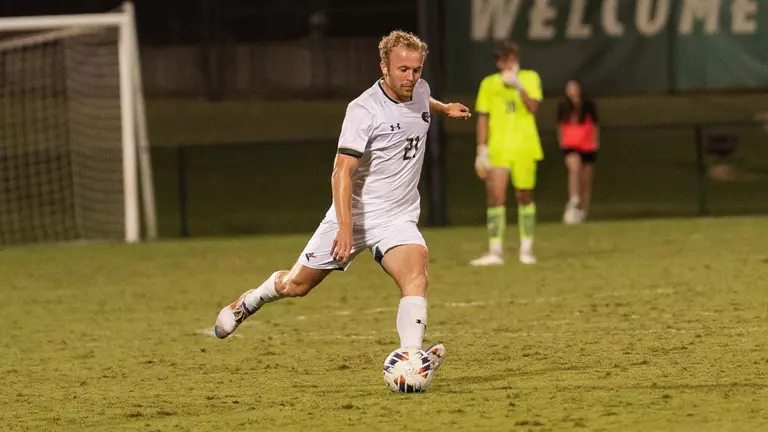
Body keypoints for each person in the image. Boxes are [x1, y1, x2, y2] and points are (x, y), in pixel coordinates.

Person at [212, 30, 471, 374]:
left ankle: (411, 359)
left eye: (416, 70)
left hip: (397, 217)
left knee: (416, 275)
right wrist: (346, 228)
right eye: (403, 70)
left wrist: (444, 108)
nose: (410, 78)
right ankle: (250, 300)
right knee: (296, 285)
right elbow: (341, 172)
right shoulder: (364, 109)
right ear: (384, 67)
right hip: (353, 214)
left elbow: (423, 102)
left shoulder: (419, 90)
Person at [470, 41, 543, 266]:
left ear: (515, 58)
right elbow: (483, 117)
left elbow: (533, 107)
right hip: (498, 149)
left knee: (524, 196)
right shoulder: (489, 84)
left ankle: (527, 249)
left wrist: (519, 86)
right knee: (495, 198)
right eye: (502, 60)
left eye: (509, 58)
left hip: (525, 147)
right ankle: (495, 251)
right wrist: (481, 149)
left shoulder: (530, 78)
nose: (505, 64)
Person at [557, 79, 599, 224]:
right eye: (569, 88)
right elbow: (560, 126)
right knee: (574, 168)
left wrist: (595, 142)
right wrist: (561, 143)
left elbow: (595, 125)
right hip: (571, 146)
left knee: (586, 180)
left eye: (574, 87)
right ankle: (574, 198)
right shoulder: (563, 107)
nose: (572, 91)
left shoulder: (588, 106)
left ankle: (583, 211)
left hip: (588, 146)